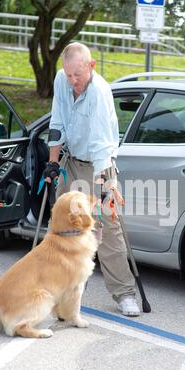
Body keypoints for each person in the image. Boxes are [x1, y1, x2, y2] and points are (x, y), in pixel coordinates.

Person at [44, 42, 140, 317]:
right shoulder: (62, 80)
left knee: (107, 228)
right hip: (72, 162)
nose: (73, 81)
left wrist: (104, 188)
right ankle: (58, 292)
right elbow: (57, 122)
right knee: (60, 227)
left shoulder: (99, 92)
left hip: (101, 166)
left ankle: (124, 294)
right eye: (69, 74)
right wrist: (52, 163)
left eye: (78, 74)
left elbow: (100, 145)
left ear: (92, 66)